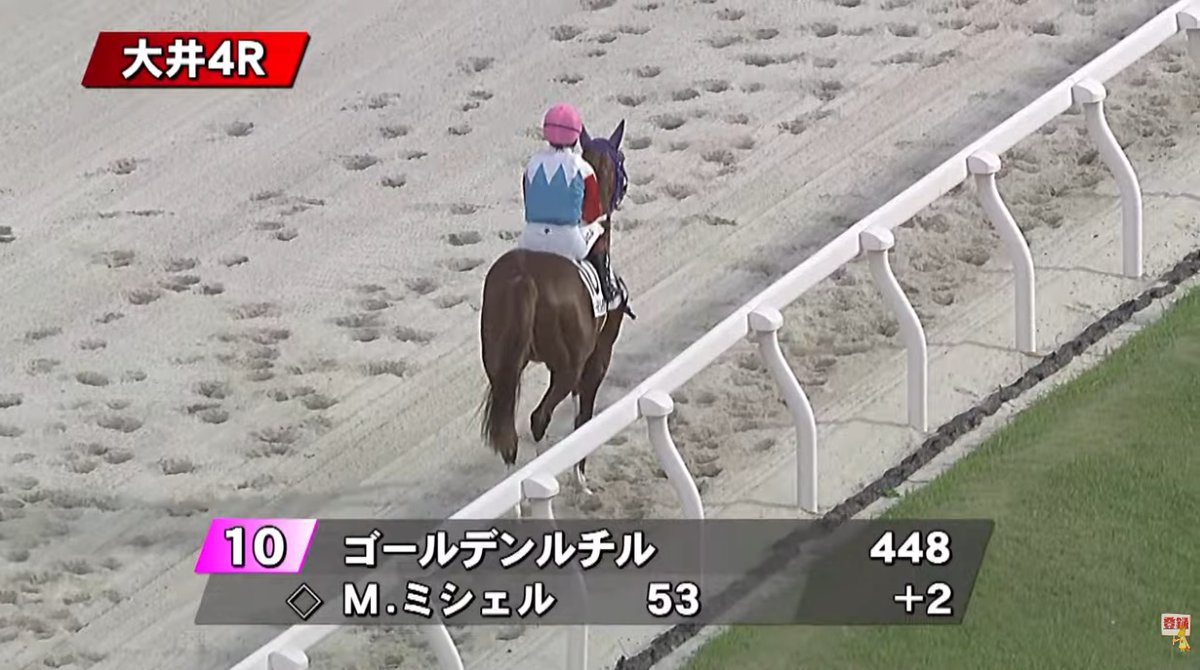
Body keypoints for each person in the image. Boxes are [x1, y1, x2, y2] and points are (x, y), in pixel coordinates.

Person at [518, 102, 619, 306]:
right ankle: (607, 289)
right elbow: (592, 213)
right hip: (568, 242)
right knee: (600, 230)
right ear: (575, 137)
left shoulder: (532, 164)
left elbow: (527, 197)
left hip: (530, 239)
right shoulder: (583, 168)